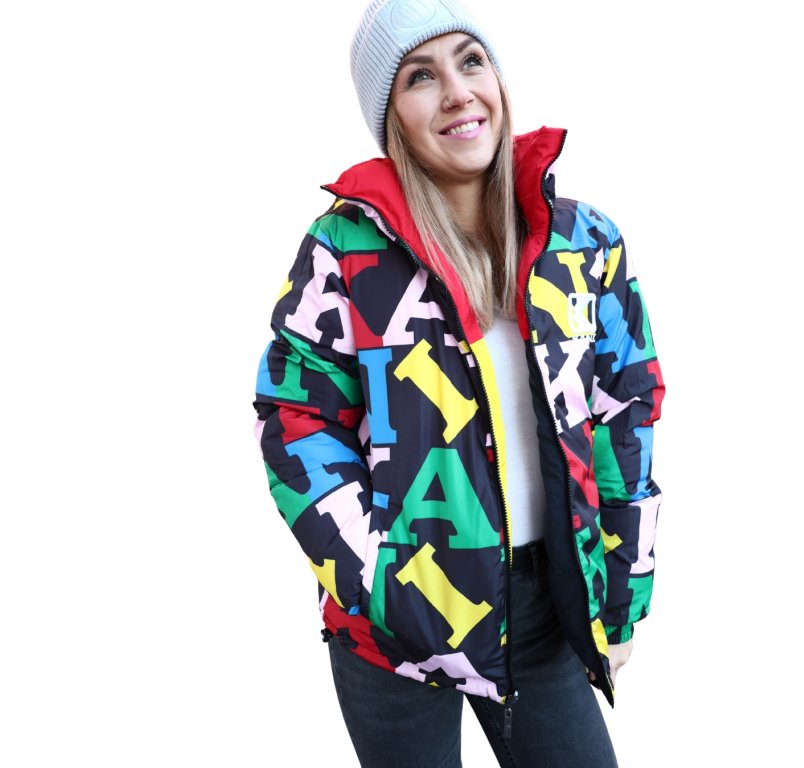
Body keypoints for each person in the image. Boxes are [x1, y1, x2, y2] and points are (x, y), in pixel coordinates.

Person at [253, 1, 664, 765]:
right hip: (390, 632)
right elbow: (294, 420)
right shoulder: (345, 250)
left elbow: (625, 413)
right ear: (391, 118)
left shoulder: (583, 243)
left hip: (546, 605)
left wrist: (622, 593)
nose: (456, 92)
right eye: (420, 77)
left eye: (471, 61)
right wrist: (379, 581)